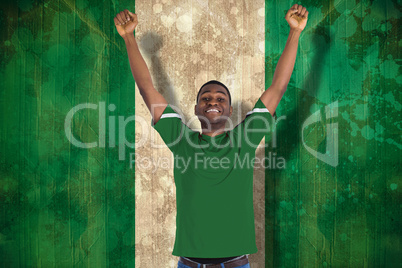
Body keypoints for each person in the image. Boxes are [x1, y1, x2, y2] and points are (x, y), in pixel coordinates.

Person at [114, 3, 308, 268]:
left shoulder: (244, 139)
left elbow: (278, 87)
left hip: (236, 264)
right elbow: (147, 88)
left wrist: (295, 33)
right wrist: (128, 38)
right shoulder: (182, 141)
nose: (212, 101)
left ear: (229, 109)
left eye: (220, 98)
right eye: (205, 98)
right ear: (196, 109)